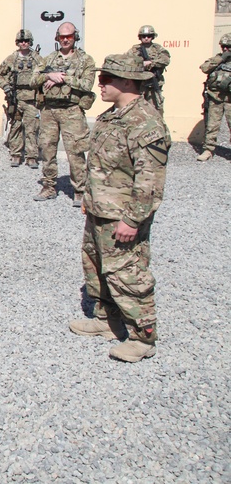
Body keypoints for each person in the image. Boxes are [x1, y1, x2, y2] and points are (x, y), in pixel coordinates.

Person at [69, 53, 169, 363]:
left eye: (107, 79)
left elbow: (149, 179)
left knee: (129, 274)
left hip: (123, 216)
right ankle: (107, 321)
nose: (100, 83)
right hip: (101, 210)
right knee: (96, 268)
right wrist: (88, 198)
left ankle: (142, 337)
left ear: (127, 81)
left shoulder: (145, 121)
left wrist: (133, 219)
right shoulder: (110, 116)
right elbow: (99, 165)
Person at [31, 22, 96, 206]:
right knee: (47, 149)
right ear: (57, 37)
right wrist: (49, 76)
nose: (65, 39)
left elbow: (87, 84)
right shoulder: (48, 59)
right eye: (62, 36)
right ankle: (49, 186)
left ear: (75, 36)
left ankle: (80, 190)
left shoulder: (85, 60)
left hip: (72, 110)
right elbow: (33, 80)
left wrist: (64, 78)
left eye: (69, 36)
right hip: (49, 110)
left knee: (75, 151)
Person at [0, 30, 41, 167]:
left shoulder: (37, 59)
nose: (24, 43)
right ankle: (15, 154)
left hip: (31, 99)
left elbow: (45, 74)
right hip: (16, 98)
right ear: (17, 43)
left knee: (32, 128)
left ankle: (31, 156)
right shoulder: (11, 58)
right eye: (21, 41)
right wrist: (6, 87)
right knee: (16, 126)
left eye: (26, 41)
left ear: (30, 42)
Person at [196, 33, 231, 162]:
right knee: (212, 125)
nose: (226, 49)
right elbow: (204, 68)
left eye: (229, 47)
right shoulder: (217, 59)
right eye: (224, 47)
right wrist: (221, 59)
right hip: (215, 98)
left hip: (230, 100)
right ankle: (208, 150)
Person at [125, 25, 170, 112]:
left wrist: (151, 63)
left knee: (156, 109)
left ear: (152, 37)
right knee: (136, 109)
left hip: (153, 83)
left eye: (149, 36)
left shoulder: (158, 48)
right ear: (140, 37)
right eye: (143, 36)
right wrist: (141, 64)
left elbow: (166, 60)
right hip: (139, 84)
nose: (146, 38)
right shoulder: (135, 49)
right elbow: (127, 61)